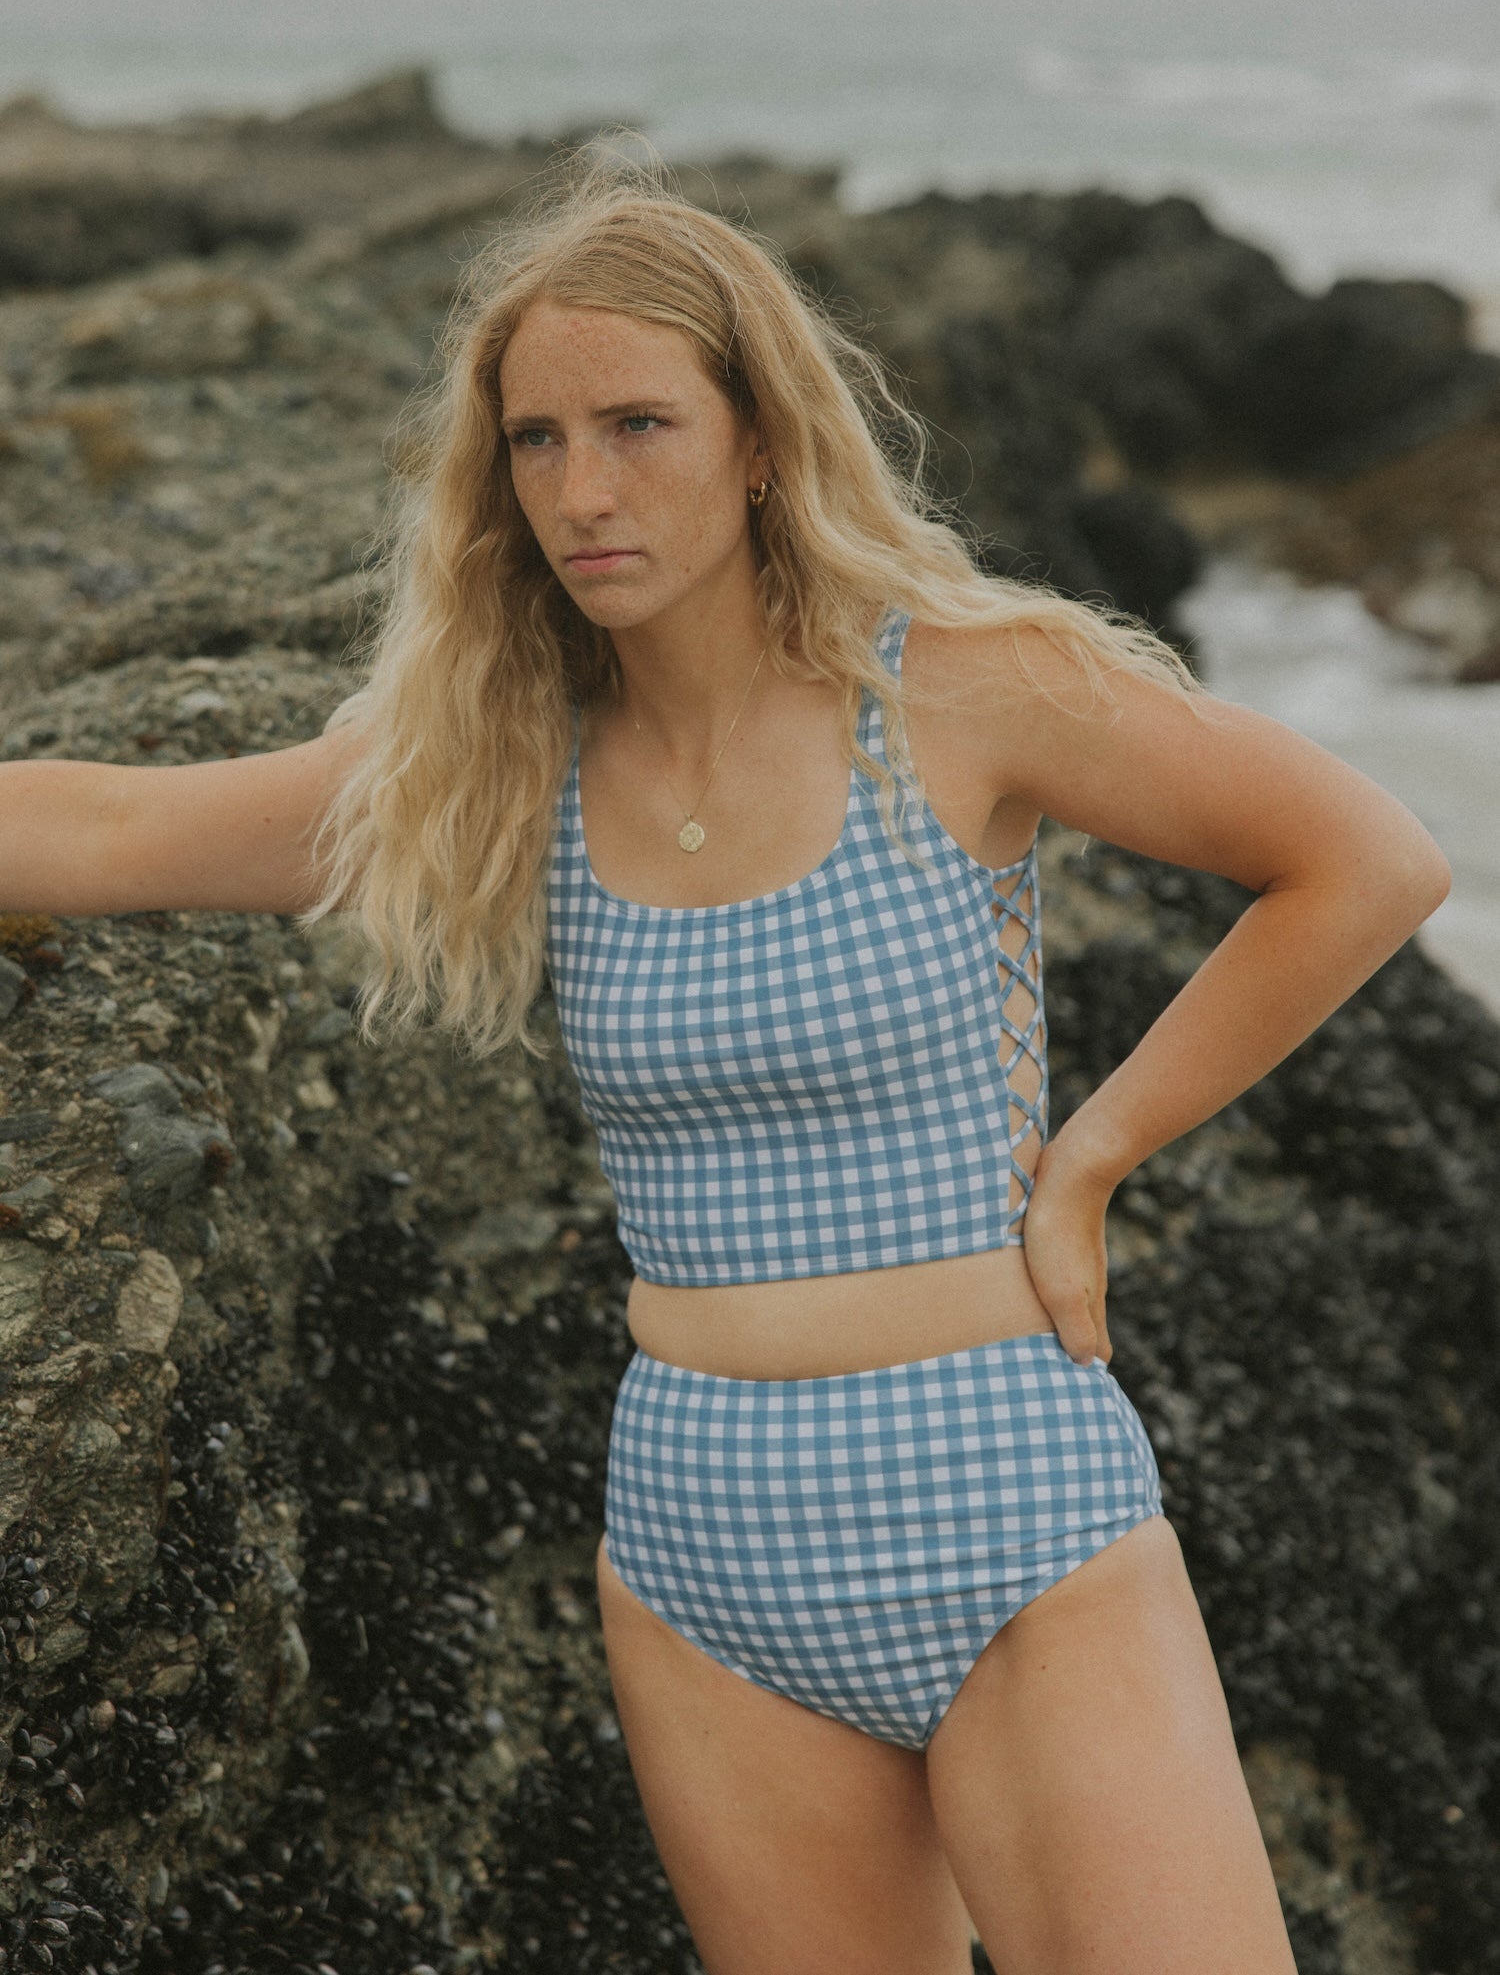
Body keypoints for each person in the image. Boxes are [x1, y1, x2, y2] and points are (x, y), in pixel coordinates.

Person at [1, 150, 1450, 1975]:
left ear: (758, 436)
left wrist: (1095, 1152)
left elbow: (1365, 860)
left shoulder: (959, 686)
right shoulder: (502, 754)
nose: (583, 490)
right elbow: (116, 829)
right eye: (537, 441)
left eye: (638, 424)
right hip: (702, 1552)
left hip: (1006, 1500)